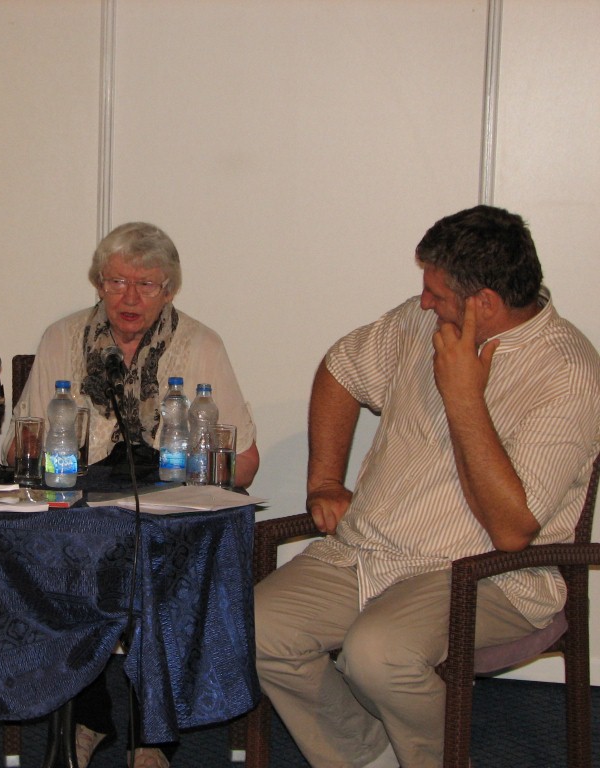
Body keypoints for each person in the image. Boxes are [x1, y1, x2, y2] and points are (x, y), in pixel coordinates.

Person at [253, 205, 600, 767]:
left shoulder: (568, 374)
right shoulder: (420, 324)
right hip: (368, 551)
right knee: (255, 627)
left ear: (484, 302)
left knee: (378, 653)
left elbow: (512, 532)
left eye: (436, 293)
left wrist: (463, 395)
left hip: (487, 573)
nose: (423, 303)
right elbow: (342, 368)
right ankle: (367, 756)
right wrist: (324, 482)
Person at [7, 221, 260, 768]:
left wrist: (197, 472)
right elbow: (20, 445)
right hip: (82, 501)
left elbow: (244, 461)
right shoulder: (61, 338)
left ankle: (152, 732)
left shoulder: (201, 345)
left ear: (169, 290)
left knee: (161, 560)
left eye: (146, 285)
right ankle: (88, 715)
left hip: (167, 505)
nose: (130, 298)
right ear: (98, 282)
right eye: (117, 282)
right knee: (63, 553)